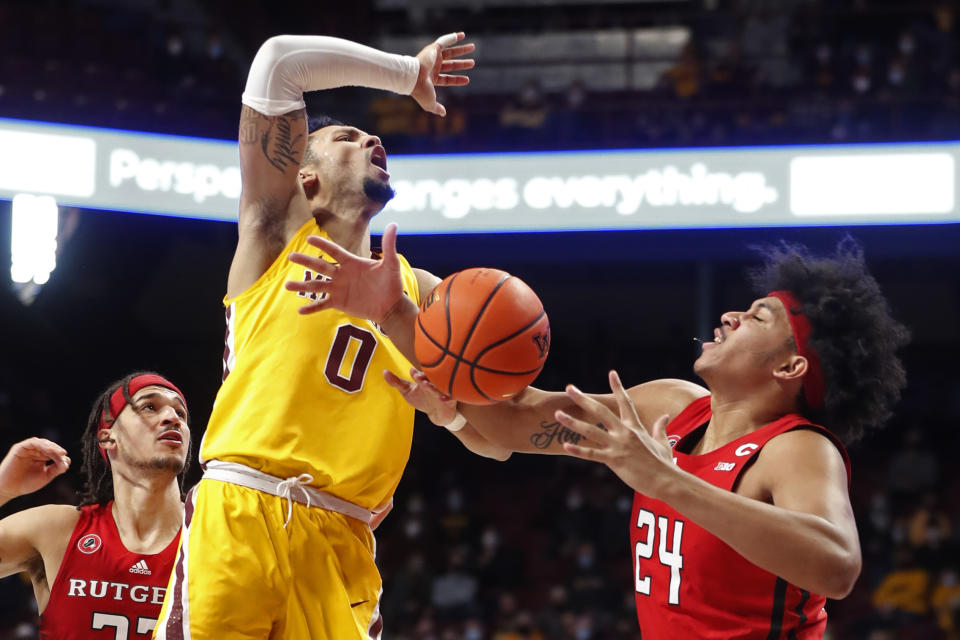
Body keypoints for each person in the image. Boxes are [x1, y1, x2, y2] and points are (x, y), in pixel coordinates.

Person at [285, 232, 909, 639]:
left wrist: (665, 480)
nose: (731, 314)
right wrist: (395, 314)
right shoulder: (670, 407)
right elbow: (514, 418)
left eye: (758, 317)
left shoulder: (795, 446)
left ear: (790, 367)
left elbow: (837, 565)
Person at [153, 31, 501, 640]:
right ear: (304, 180)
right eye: (346, 137)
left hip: (345, 540)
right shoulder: (273, 237)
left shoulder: (426, 293)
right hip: (242, 512)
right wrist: (404, 72)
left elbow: (496, 443)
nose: (373, 138)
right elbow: (277, 62)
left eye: (370, 136)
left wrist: (452, 418)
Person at [0, 372, 190, 639]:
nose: (173, 418)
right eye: (149, 407)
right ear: (107, 438)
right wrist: (3, 489)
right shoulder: (57, 530)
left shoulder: (212, 538)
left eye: (181, 413)